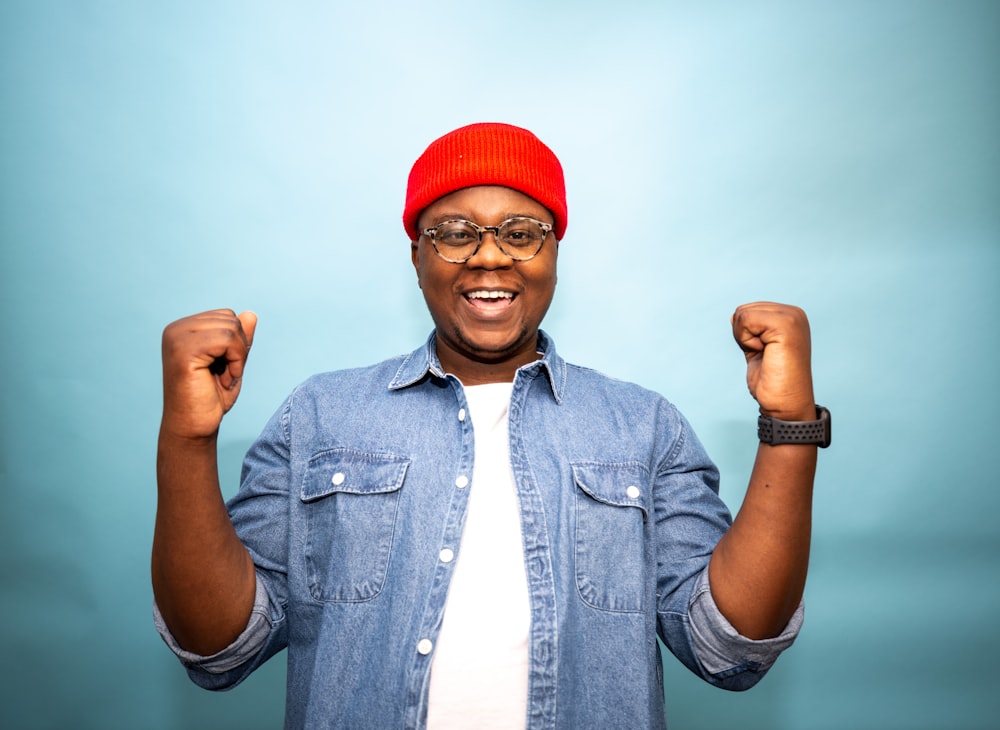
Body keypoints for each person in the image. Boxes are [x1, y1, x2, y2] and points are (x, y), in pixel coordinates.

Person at [152, 122, 829, 729]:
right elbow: (220, 649)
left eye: (520, 232)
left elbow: (730, 647)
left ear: (553, 252)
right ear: (416, 255)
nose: (489, 257)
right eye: (453, 233)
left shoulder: (643, 426)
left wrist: (789, 426)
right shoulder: (320, 415)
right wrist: (187, 439)